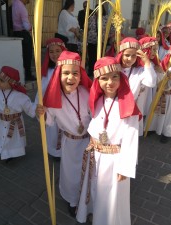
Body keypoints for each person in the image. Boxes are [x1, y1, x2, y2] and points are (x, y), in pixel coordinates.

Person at [76, 56, 141, 225]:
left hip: (114, 160)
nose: (109, 82)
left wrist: (125, 167)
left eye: (114, 77)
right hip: (95, 155)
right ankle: (93, 214)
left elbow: (132, 137)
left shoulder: (127, 104)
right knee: (95, 189)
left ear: (121, 78)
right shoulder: (97, 100)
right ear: (97, 81)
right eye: (104, 78)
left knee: (111, 195)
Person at [36, 51, 92, 217]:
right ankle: (73, 199)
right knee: (70, 174)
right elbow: (49, 121)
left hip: (89, 142)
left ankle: (88, 200)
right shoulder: (53, 99)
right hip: (69, 143)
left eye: (75, 73)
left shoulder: (86, 92)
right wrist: (41, 112)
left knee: (89, 173)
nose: (71, 78)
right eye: (66, 73)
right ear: (58, 75)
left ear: (81, 76)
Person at [0, 66, 35, 162]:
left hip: (14, 123)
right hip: (0, 121)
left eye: (2, 81)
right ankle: (1, 152)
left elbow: (29, 107)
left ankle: (11, 154)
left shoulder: (19, 96)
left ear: (11, 83)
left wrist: (37, 110)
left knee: (13, 140)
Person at [33, 38, 67, 160]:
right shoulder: (47, 72)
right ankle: (55, 152)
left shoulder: (69, 69)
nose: (55, 54)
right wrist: (38, 106)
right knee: (53, 131)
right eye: (51, 52)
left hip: (66, 107)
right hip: (51, 109)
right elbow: (41, 91)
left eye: (58, 51)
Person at [116, 37, 156, 136]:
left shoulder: (139, 71)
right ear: (121, 54)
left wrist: (147, 63)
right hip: (115, 109)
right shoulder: (114, 68)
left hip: (130, 111)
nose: (130, 59)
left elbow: (151, 82)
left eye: (133, 56)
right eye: (127, 55)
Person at [148, 44, 171, 143]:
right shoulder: (161, 66)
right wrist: (163, 74)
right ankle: (152, 128)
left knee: (168, 114)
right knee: (155, 111)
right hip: (159, 94)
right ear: (169, 56)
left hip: (170, 96)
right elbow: (158, 80)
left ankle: (167, 132)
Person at [12, 0, 36, 82]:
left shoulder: (13, 3)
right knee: (27, 56)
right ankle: (28, 75)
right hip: (23, 34)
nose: (29, 1)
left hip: (14, 33)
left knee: (19, 56)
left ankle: (19, 74)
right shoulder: (21, 7)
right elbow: (26, 26)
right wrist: (32, 27)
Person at [87, 4, 114, 76]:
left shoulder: (106, 18)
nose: (98, 11)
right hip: (91, 41)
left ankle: (99, 71)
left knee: (100, 57)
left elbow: (111, 29)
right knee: (91, 57)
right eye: (97, 9)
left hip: (101, 41)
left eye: (100, 9)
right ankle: (90, 71)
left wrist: (106, 37)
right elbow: (87, 28)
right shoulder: (91, 18)